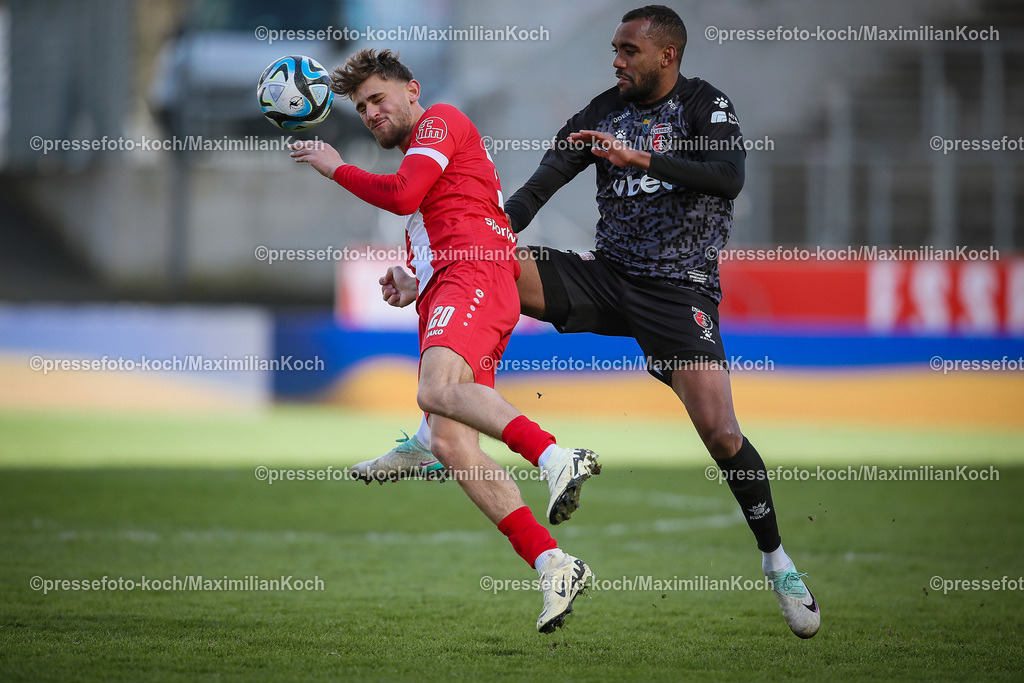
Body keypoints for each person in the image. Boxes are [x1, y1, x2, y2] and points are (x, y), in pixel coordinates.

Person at [356, 6, 821, 639]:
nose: (617, 61)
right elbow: (537, 187)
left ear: (667, 56)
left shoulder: (705, 107)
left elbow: (728, 178)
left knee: (722, 434)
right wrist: (440, 264)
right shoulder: (602, 111)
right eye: (614, 49)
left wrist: (642, 161)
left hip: (678, 291)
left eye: (629, 51)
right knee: (496, 261)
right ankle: (434, 428)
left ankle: (777, 561)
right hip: (605, 276)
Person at [289, 48, 603, 633]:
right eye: (360, 108)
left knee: (434, 391)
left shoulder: (443, 121)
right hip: (449, 284)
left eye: (378, 98)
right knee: (456, 447)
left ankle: (555, 456)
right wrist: (411, 278)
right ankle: (553, 563)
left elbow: (406, 195)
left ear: (412, 90)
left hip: (476, 275)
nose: (371, 113)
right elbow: (432, 212)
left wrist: (334, 167)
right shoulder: (424, 163)